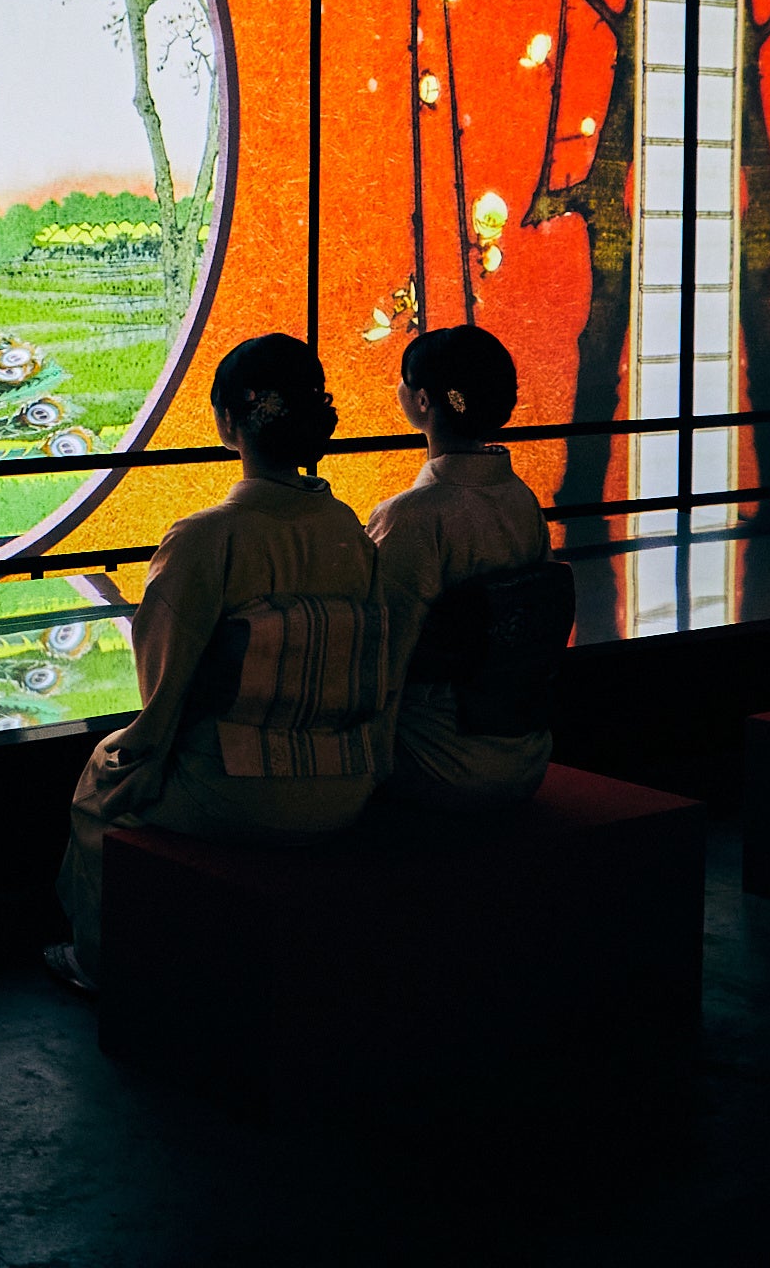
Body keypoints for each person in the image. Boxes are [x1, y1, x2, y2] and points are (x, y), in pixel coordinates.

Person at [46, 334, 388, 995]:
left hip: (241, 793)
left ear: (230, 422)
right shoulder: (350, 530)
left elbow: (162, 692)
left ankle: (97, 960)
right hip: (347, 783)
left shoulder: (206, 538)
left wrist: (138, 750)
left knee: (101, 787)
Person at [368, 325, 555, 813]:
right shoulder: (522, 500)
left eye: (405, 383)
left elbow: (382, 659)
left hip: (438, 758)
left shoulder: (412, 517)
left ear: (422, 402)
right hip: (527, 753)